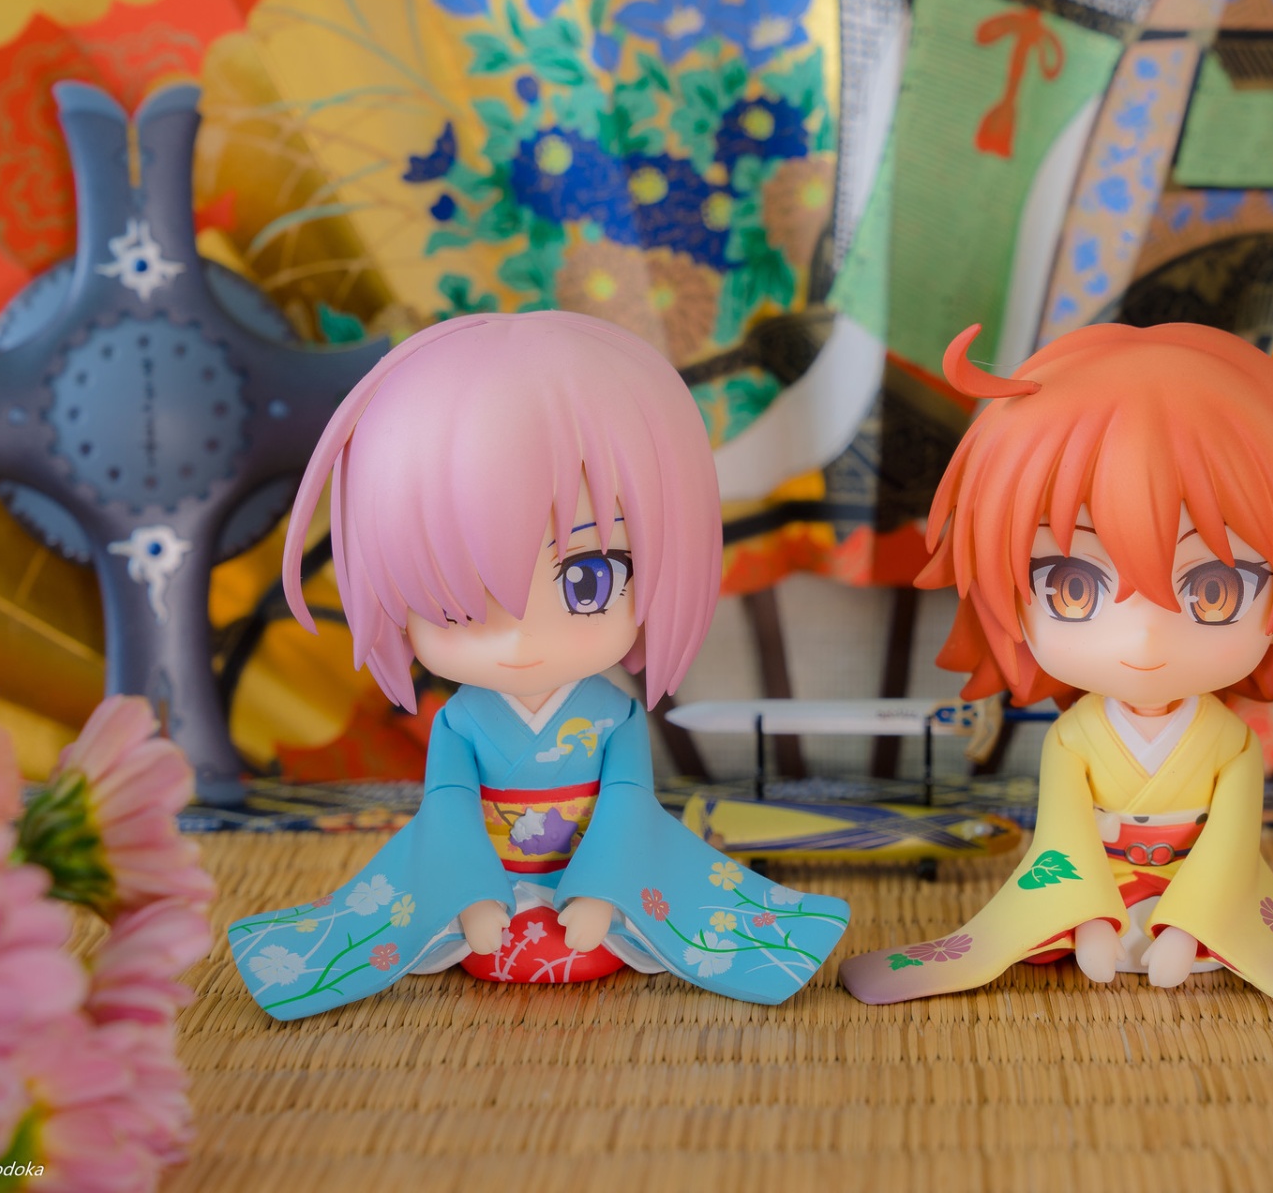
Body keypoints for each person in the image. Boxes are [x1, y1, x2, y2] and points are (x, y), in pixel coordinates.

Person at [839, 321, 1273, 1020]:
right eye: (1073, 585)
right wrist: (1091, 921)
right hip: (1097, 901)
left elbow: (1230, 851)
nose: (1143, 632)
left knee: (1214, 918)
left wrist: (1186, 927)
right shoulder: (1073, 740)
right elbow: (1062, 844)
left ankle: (1196, 933)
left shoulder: (1229, 745)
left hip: (1204, 908)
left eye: (1214, 589)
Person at [228, 313, 847, 1021]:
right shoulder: (461, 722)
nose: (522, 638)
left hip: (594, 887)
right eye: (456, 598)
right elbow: (447, 809)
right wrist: (472, 898)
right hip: (491, 888)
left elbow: (628, 804)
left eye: (589, 580)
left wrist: (601, 893)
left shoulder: (613, 717)